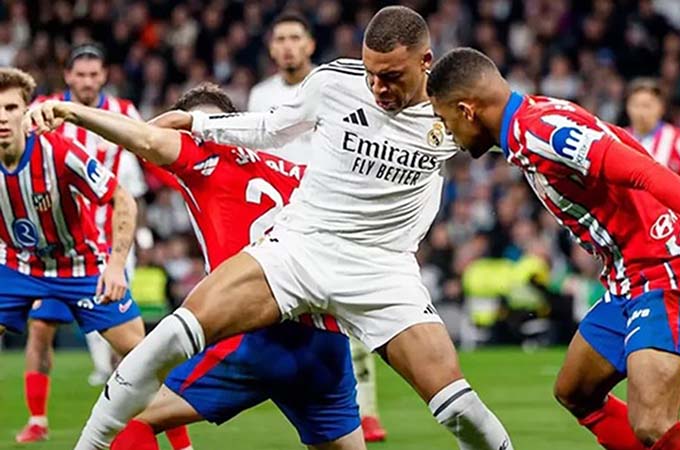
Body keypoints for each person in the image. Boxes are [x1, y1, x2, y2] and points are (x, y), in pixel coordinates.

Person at [61, 7, 514, 450]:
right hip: (302, 247)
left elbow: (521, 138)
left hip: (383, 269)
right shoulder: (335, 82)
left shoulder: (450, 109)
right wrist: (200, 122)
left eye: (392, 76)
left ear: (425, 63)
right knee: (170, 336)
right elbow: (272, 127)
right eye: (371, 73)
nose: (377, 88)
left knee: (456, 406)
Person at [425, 47, 680, 450]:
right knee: (576, 391)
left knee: (653, 425)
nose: (450, 136)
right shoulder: (533, 115)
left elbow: (640, 169)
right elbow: (619, 140)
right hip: (626, 281)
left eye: (446, 121)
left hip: (665, 273)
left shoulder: (541, 134)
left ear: (467, 110)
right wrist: (670, 197)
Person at [29, 83, 365, 450]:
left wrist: (71, 112)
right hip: (325, 337)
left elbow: (143, 138)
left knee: (130, 419)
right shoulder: (294, 172)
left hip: (254, 327)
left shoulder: (202, 157)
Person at [15, 43, 195, 448]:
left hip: (112, 243)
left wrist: (185, 182)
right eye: (80, 74)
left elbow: (149, 152)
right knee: (40, 327)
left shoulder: (124, 112)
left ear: (104, 75)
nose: (87, 81)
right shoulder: (43, 109)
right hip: (55, 249)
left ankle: (172, 437)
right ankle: (37, 418)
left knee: (132, 350)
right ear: (67, 76)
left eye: (94, 74)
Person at [248, 12, 387, 440]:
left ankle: (367, 410)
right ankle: (318, 406)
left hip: (336, 213)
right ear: (271, 48)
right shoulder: (261, 95)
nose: (288, 45)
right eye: (280, 38)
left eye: (295, 37)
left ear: (310, 44)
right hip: (283, 220)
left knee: (350, 314)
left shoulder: (332, 85)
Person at [0, 68, 145, 442]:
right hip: (19, 265)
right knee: (39, 334)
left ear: (26, 110)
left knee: (144, 356)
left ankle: (183, 444)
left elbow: (122, 198)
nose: (2, 116)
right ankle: (37, 420)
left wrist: (115, 266)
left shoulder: (58, 151)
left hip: (79, 264)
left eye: (11, 107)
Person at [625, 78, 680, 183]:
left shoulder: (678, 140)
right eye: (636, 105)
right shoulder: (619, 139)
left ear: (661, 108)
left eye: (647, 106)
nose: (641, 112)